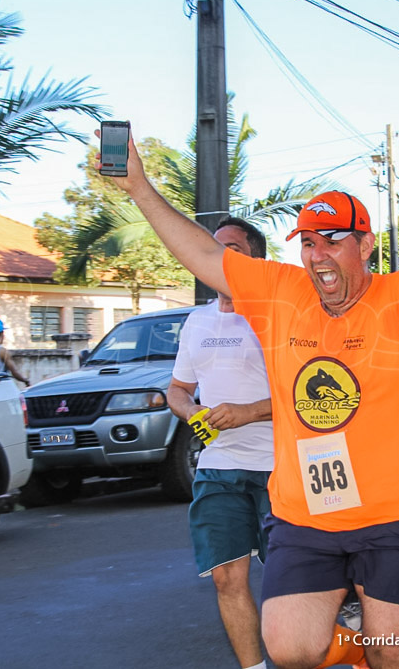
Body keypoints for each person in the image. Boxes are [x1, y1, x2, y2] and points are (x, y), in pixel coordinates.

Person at [101, 101, 399, 669]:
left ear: (365, 245)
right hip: (305, 515)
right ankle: (355, 646)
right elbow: (203, 252)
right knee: (292, 648)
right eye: (308, 242)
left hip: (395, 512)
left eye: (333, 240)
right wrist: (140, 188)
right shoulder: (281, 293)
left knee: (394, 656)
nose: (318, 255)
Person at [166, 217, 275, 669]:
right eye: (213, 249)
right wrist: (191, 412)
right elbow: (176, 390)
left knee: (301, 581)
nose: (218, 259)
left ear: (256, 260)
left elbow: (309, 391)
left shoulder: (280, 313)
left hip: (280, 466)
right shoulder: (196, 321)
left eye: (231, 249)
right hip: (218, 466)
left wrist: (249, 412)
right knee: (227, 578)